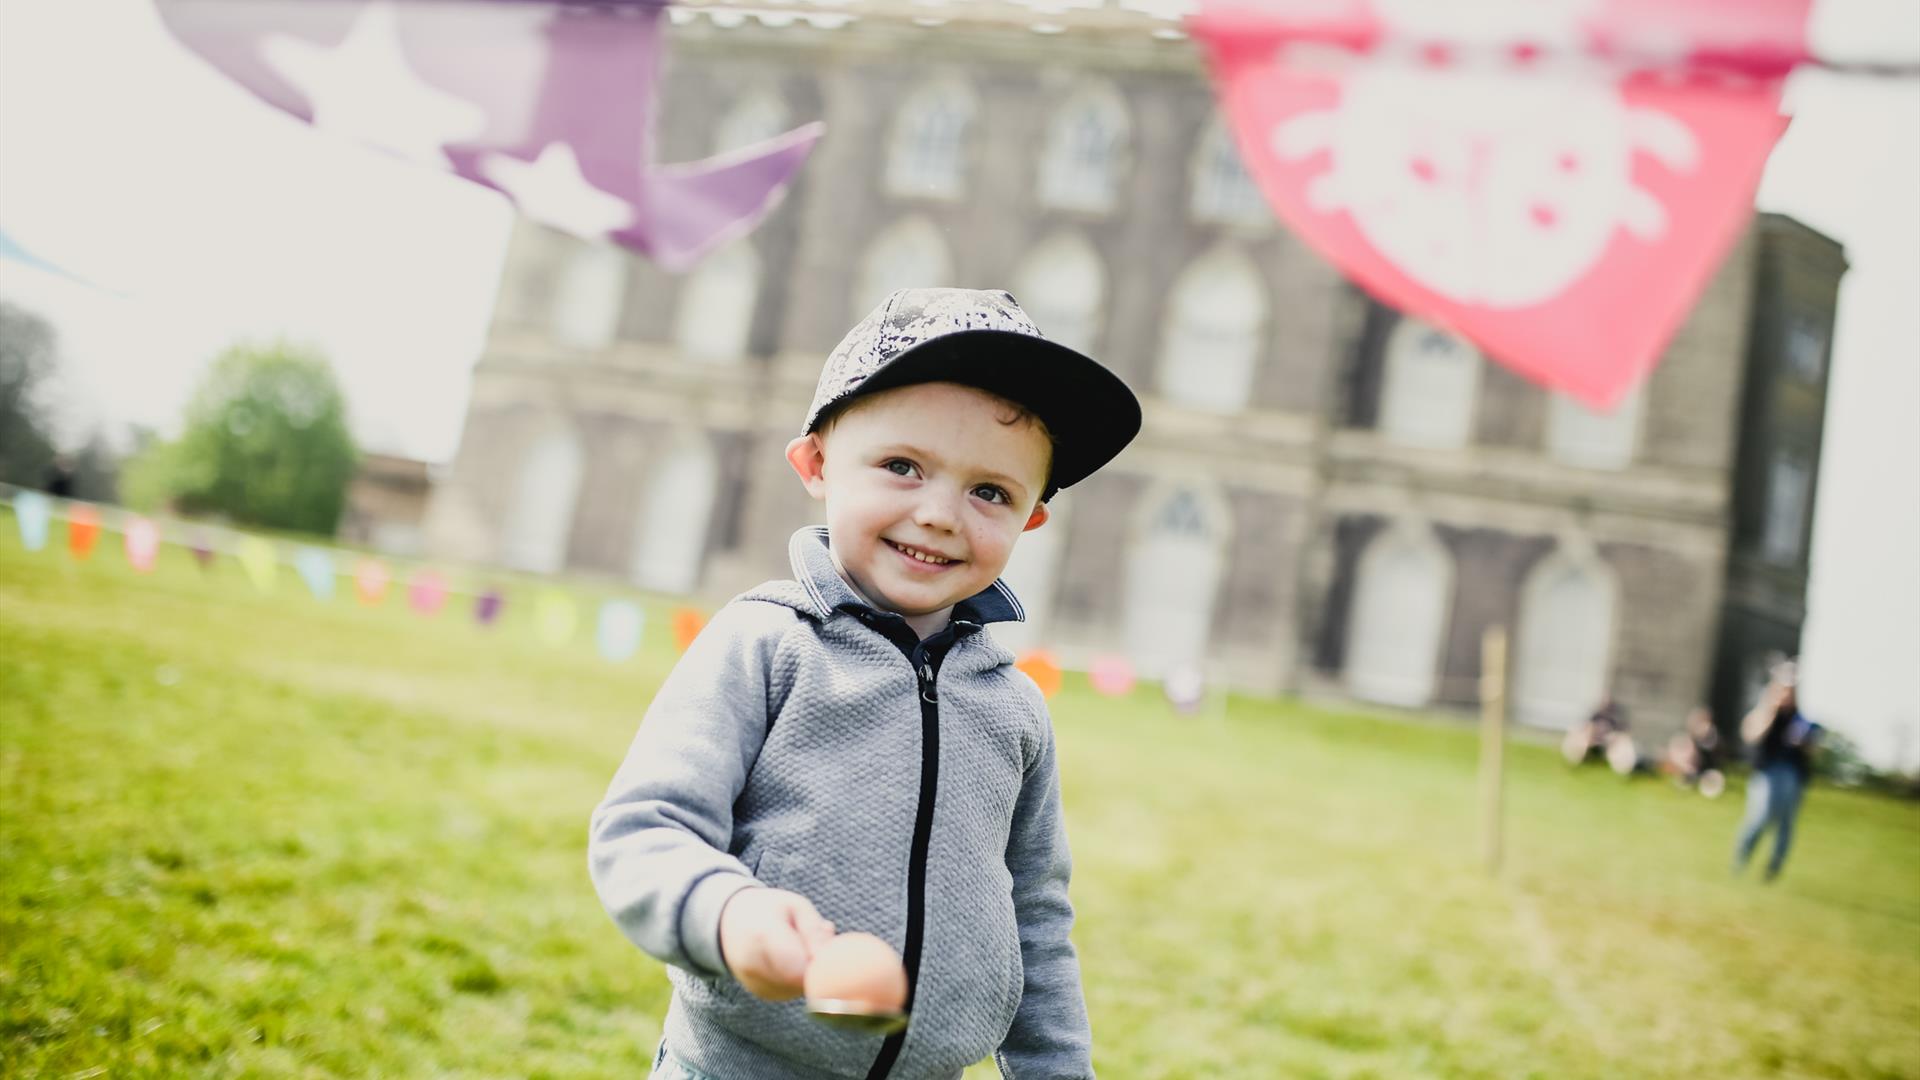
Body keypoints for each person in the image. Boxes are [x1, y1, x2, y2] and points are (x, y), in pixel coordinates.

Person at [588, 288, 1140, 1080]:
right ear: (815, 464)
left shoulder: (1013, 709)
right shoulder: (765, 644)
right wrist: (728, 913)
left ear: (1029, 521)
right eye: (902, 467)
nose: (942, 514)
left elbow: (1037, 923)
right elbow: (644, 828)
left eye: (991, 492)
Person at [1732, 661, 1821, 882]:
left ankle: (1773, 869)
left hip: (1792, 775)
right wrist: (1770, 710)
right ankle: (1741, 859)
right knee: (1759, 818)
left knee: (1785, 824)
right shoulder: (1764, 713)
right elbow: (1751, 735)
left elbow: (1814, 752)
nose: (1787, 695)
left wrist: (1805, 743)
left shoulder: (1801, 720)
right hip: (1767, 772)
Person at [1664, 706, 1725, 798]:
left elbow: (1717, 754)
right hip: (1691, 767)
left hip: (1707, 769)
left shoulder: (1712, 737)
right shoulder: (1687, 739)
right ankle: (1688, 778)